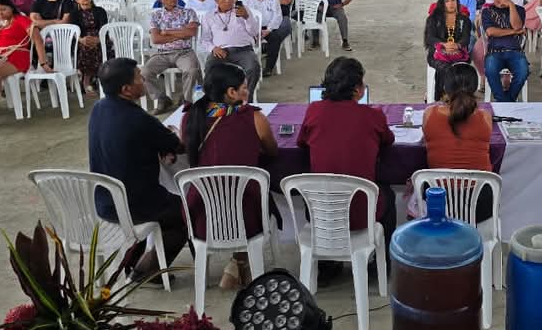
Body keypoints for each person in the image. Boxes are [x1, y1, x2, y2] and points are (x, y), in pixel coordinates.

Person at [89, 57, 187, 282]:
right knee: (187, 213)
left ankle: (132, 262)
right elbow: (178, 146)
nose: (143, 80)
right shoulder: (139, 119)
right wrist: (173, 138)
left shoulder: (98, 109)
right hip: (135, 205)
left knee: (162, 208)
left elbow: (131, 142)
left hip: (105, 201)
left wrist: (158, 147)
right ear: (126, 89)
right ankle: (147, 272)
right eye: (139, 78)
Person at [297, 57, 395, 282]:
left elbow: (301, 142)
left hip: (323, 213)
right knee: (386, 194)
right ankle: (380, 265)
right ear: (358, 89)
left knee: (314, 193)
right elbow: (388, 140)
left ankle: (326, 265)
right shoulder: (373, 115)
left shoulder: (314, 111)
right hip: (361, 213)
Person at [181, 62, 278, 289]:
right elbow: (272, 152)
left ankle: (237, 266)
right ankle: (239, 262)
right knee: (249, 194)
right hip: (246, 218)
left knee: (229, 193)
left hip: (201, 217)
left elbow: (186, 147)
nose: (248, 90)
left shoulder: (190, 117)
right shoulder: (254, 118)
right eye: (244, 87)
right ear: (231, 92)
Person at [419, 62, 494, 223]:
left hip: (439, 203)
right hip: (480, 204)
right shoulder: (485, 117)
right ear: (475, 88)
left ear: (445, 88)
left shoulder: (430, 114)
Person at [0, 0, 52, 128]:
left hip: (17, 56)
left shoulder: (21, 20)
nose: (0, 13)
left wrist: (43, 63)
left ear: (11, 8)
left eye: (3, 9)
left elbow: (38, 41)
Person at [143, 0, 201, 114]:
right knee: (145, 73)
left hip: (184, 52)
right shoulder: (156, 15)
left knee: (192, 70)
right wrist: (181, 33)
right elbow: (156, 39)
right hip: (162, 53)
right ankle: (162, 99)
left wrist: (166, 32)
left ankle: (186, 100)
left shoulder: (188, 12)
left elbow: (191, 33)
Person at [200, 0, 261, 98]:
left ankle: (245, 99)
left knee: (253, 67)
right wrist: (213, 48)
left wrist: (246, 17)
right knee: (210, 67)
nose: (228, 0)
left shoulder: (242, 10)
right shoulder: (209, 16)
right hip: (221, 51)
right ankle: (215, 99)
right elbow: (205, 39)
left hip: (243, 50)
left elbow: (254, 32)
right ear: (216, 0)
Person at [481, 0, 529, 102]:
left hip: (515, 51)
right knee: (490, 71)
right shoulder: (487, 11)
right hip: (495, 51)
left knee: (523, 72)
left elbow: (517, 26)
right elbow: (491, 32)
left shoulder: (519, 9)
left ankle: (504, 102)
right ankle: (506, 102)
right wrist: (513, 32)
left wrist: (511, 5)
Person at [425, 0, 473, 101]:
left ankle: (461, 96)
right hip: (437, 54)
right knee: (447, 68)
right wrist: (444, 45)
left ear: (457, 2)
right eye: (447, 1)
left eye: (453, 0)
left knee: (463, 69)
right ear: (442, 3)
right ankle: (443, 94)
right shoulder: (433, 19)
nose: (451, 3)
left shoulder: (464, 20)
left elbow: (466, 38)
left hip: (458, 53)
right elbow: (430, 38)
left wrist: (457, 45)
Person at [242, 0, 289, 78]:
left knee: (275, 38)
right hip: (252, 28)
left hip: (268, 27)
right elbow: (243, 18)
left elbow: (277, 16)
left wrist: (269, 30)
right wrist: (253, 30)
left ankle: (268, 68)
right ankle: (247, 67)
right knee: (241, 39)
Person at [69, 0, 109, 94]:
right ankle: (88, 79)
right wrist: (81, 39)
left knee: (96, 47)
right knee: (86, 47)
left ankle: (91, 78)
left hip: (100, 38)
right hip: (82, 41)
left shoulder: (100, 11)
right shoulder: (74, 14)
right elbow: (74, 31)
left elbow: (104, 28)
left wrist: (98, 39)